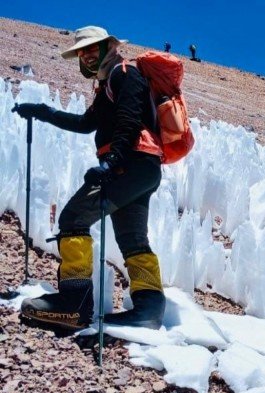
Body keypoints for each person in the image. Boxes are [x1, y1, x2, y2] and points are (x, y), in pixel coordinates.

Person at [12, 26, 166, 331]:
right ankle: (149, 311)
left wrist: (111, 162)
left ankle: (75, 304)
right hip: (140, 168)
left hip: (129, 164)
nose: (85, 57)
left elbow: (129, 120)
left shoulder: (124, 74)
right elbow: (85, 124)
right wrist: (41, 111)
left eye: (91, 50)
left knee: (73, 220)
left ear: (108, 47)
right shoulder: (109, 82)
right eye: (82, 53)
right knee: (133, 239)